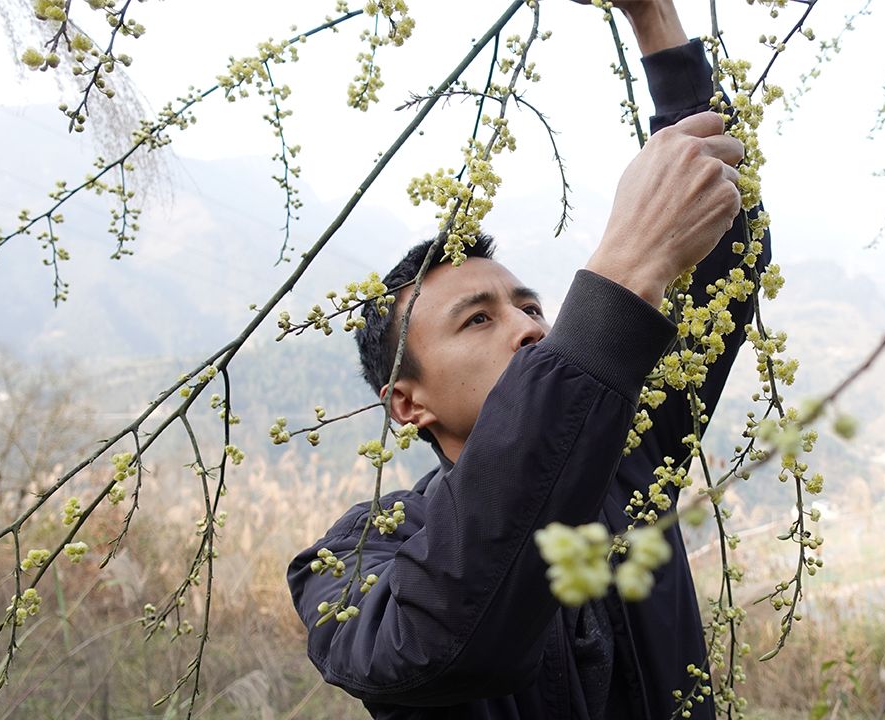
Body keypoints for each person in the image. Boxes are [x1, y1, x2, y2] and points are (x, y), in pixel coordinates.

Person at [288, 1, 770, 717]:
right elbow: (421, 646)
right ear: (406, 402)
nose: (528, 329)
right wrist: (624, 269)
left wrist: (654, 21)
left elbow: (721, 257)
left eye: (532, 307)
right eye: (477, 319)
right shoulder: (358, 556)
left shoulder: (629, 462)